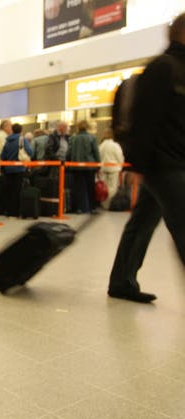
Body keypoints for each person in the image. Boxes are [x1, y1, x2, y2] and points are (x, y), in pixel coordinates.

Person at [108, 13, 185, 304]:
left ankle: (122, 281)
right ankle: (122, 280)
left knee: (142, 221)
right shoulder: (164, 68)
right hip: (165, 165)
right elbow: (145, 120)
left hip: (169, 163)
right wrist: (137, 164)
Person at [0, 123, 33, 217]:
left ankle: (9, 211)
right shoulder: (22, 139)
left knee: (9, 190)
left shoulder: (7, 141)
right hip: (19, 169)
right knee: (17, 190)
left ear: (12, 130)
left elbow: (3, 156)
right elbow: (30, 152)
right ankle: (16, 211)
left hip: (8, 169)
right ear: (21, 130)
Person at [67, 120, 100, 213]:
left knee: (78, 188)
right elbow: (96, 153)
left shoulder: (73, 138)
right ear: (87, 127)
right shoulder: (92, 138)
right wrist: (98, 164)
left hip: (76, 167)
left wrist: (67, 162)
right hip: (90, 167)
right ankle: (92, 207)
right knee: (90, 187)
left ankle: (79, 208)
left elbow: (68, 153)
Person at [98, 129, 124, 210]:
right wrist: (121, 165)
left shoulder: (101, 145)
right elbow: (120, 157)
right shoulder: (115, 145)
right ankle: (110, 205)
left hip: (103, 169)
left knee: (104, 188)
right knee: (112, 187)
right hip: (114, 169)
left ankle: (104, 204)